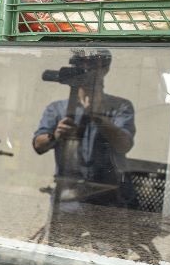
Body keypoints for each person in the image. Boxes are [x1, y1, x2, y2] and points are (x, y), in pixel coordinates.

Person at [32, 48, 136, 208]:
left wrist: (96, 116)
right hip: (68, 199)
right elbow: (38, 146)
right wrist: (56, 136)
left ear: (104, 70)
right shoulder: (57, 109)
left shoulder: (120, 107)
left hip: (107, 198)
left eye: (92, 66)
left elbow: (124, 145)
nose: (86, 70)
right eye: (82, 65)